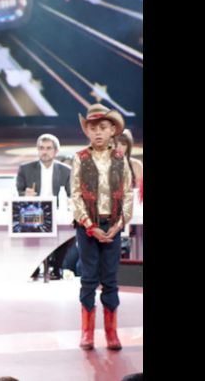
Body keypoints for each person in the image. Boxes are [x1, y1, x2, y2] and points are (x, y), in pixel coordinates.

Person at [71, 104, 133, 351]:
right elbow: (76, 195)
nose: (97, 132)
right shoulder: (80, 158)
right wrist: (89, 225)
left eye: (103, 127)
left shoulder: (120, 159)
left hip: (112, 225)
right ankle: (87, 333)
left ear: (112, 131)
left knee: (110, 279)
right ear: (87, 131)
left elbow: (127, 194)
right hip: (87, 227)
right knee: (88, 278)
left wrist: (118, 226)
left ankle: (111, 333)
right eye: (93, 128)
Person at [16, 134, 71, 202]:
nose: (44, 152)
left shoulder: (66, 171)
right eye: (41, 148)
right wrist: (25, 195)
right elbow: (19, 193)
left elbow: (71, 195)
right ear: (38, 149)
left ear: (56, 151)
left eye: (48, 148)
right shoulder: (25, 169)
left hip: (58, 208)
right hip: (34, 207)